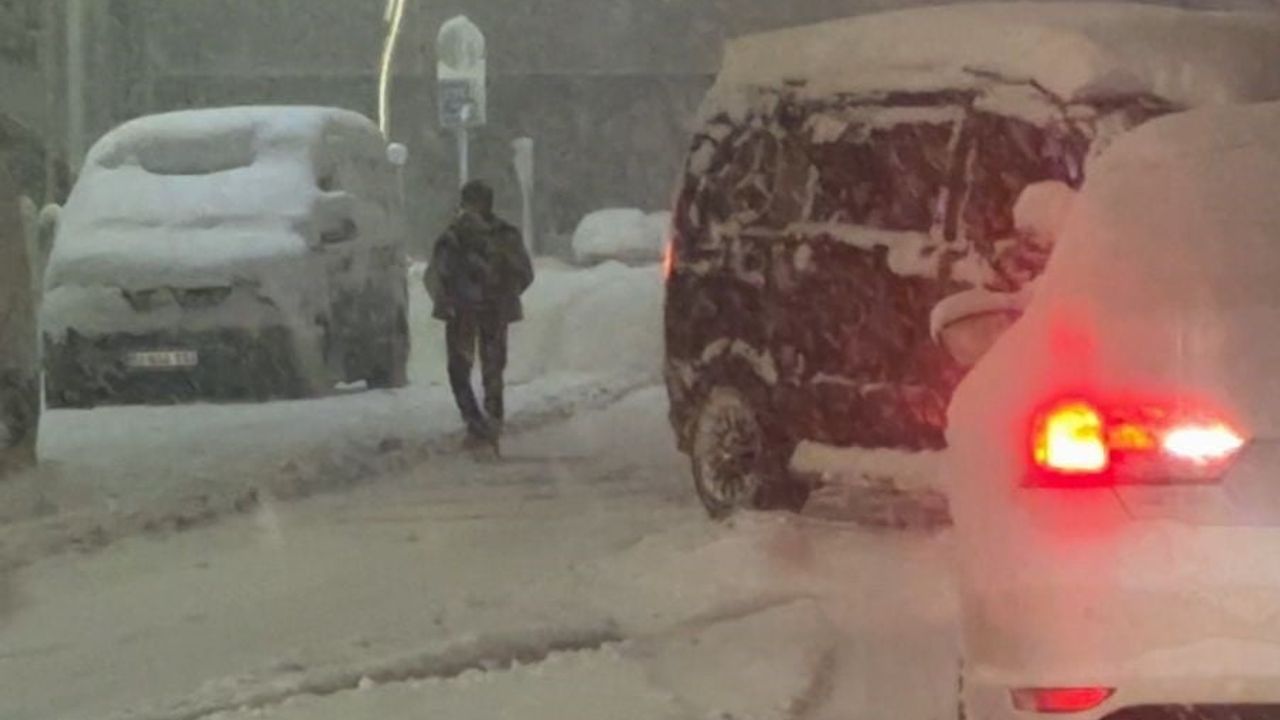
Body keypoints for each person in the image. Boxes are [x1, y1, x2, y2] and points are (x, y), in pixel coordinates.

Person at [424, 180, 534, 450]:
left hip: (461, 312)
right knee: (492, 370)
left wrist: (447, 300)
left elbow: (435, 275)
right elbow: (524, 273)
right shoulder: (504, 236)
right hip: (491, 311)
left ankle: (477, 424)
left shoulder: (451, 236)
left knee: (462, 370)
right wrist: (505, 292)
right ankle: (489, 422)